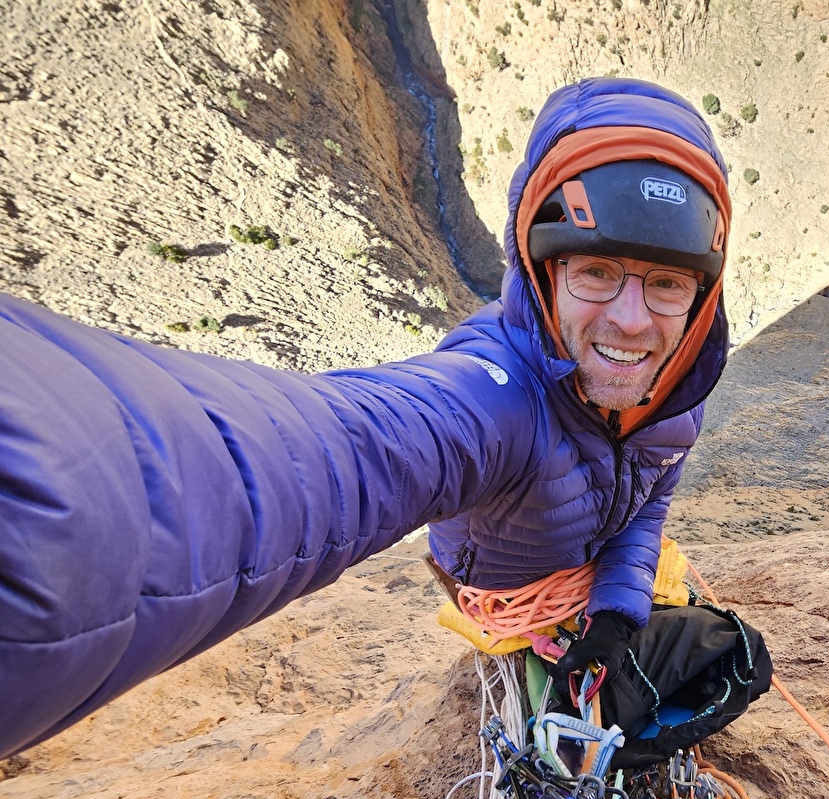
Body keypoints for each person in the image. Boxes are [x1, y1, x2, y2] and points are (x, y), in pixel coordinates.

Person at [0, 77, 733, 759]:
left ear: (702, 299)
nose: (633, 321)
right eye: (597, 272)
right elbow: (345, 451)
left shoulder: (672, 390)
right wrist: (39, 513)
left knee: (734, 659)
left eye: (667, 284)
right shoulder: (499, 399)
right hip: (507, 606)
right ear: (543, 273)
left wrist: (618, 596)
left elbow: (649, 491)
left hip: (582, 580)